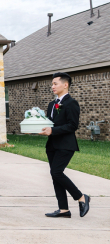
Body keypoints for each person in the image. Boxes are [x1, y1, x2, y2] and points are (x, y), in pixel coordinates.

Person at [39, 72, 90, 218]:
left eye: (55, 83)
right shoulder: (52, 104)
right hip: (52, 145)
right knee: (55, 176)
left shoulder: (71, 103)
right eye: (52, 84)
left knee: (56, 172)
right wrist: (39, 128)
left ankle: (81, 197)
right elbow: (49, 123)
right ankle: (63, 209)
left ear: (65, 85)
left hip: (66, 145)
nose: (52, 86)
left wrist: (53, 130)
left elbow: (73, 125)